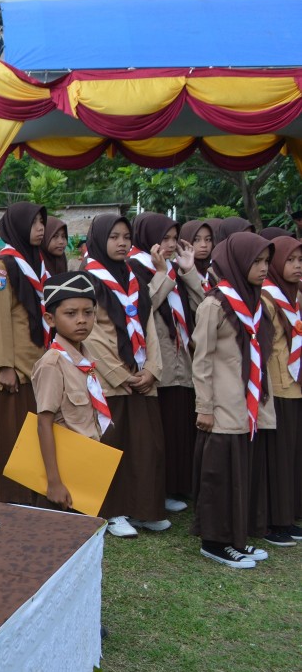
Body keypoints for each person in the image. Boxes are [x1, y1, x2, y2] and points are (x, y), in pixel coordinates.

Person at [192, 232, 276, 568]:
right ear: (238, 262)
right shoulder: (215, 304)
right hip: (222, 405)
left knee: (241, 472)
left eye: (266, 261)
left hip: (248, 405)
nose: (263, 268)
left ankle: (237, 538)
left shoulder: (255, 301)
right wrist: (204, 406)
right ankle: (215, 542)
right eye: (256, 261)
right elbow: (201, 359)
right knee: (221, 475)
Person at [81, 214, 168, 539]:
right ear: (100, 239)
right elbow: (90, 334)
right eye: (114, 236)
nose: (122, 242)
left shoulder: (133, 277)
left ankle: (145, 509)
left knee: (147, 446)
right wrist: (122, 375)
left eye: (126, 236)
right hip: (111, 382)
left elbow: (149, 327)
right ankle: (112, 511)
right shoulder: (88, 279)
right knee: (112, 444)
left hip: (142, 376)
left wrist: (152, 370)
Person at [128, 213, 204, 513]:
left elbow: (202, 308)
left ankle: (177, 485)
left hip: (183, 360)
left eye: (175, 238)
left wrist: (187, 272)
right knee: (164, 431)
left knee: (181, 426)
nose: (171, 245)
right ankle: (162, 488)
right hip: (158, 361)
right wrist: (164, 275)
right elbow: (142, 307)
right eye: (165, 238)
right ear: (149, 237)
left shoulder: (174, 269)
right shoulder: (134, 267)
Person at [32, 271, 112, 510]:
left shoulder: (85, 358)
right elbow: (43, 423)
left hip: (85, 466)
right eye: (70, 313)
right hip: (61, 474)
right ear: (50, 319)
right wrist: (54, 482)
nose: (81, 320)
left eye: (88, 313)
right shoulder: (53, 364)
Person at [0, 202, 49, 505]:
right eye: (34, 222)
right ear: (19, 226)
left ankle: (37, 490)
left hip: (40, 363)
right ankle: (14, 495)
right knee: (16, 432)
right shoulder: (4, 267)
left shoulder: (36, 261)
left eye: (42, 221)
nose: (40, 228)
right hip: (18, 368)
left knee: (38, 431)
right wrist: (4, 366)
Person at [257, 234, 302, 546]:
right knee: (278, 458)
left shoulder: (295, 296)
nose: (297, 266)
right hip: (278, 387)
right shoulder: (268, 298)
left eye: (301, 260)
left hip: (296, 387)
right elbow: (265, 348)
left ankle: (289, 515)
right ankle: (274, 521)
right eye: (290, 260)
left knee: (293, 457)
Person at [180, 219, 215, 292]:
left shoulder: (214, 272)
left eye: (208, 239)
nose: (204, 245)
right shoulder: (176, 272)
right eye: (196, 240)